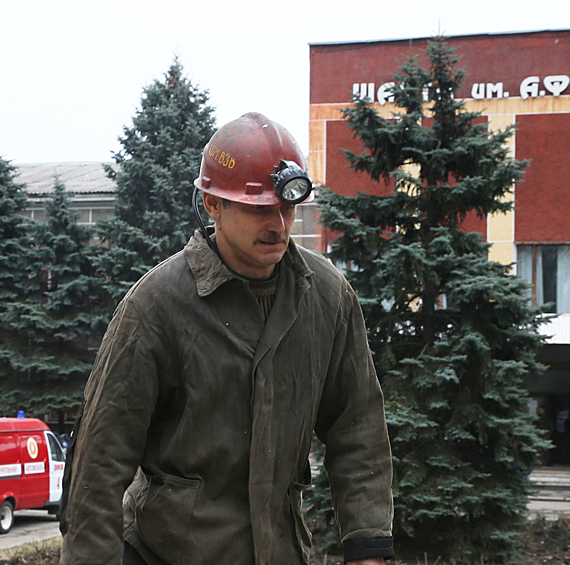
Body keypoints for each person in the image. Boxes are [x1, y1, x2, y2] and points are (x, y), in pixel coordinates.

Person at [59, 113, 394, 565]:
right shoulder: (156, 306)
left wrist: (367, 545)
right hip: (165, 554)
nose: (278, 225)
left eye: (288, 209)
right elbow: (100, 459)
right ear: (213, 204)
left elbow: (358, 430)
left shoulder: (327, 297)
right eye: (259, 209)